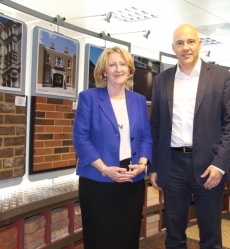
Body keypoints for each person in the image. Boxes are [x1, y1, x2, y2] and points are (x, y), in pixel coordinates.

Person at [149, 24, 230, 249]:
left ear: (199, 44)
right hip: (173, 165)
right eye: (180, 43)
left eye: (190, 42)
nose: (185, 47)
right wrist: (154, 167)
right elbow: (156, 127)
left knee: (210, 233)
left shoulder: (220, 76)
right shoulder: (161, 81)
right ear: (173, 48)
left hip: (209, 166)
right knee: (174, 232)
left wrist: (220, 165)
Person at [73, 46, 152, 249]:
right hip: (98, 180)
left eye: (123, 64)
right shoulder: (89, 98)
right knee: (100, 239)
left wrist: (142, 164)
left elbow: (146, 137)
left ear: (130, 69)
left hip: (131, 181)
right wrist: (105, 169)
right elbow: (81, 138)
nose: (118, 69)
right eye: (113, 64)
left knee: (127, 237)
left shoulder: (139, 100)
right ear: (104, 71)